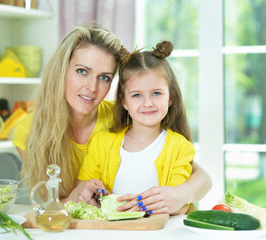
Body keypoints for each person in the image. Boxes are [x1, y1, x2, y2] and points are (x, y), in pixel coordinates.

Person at [13, 25, 212, 211]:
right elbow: (45, 208)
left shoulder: (121, 118)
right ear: (61, 70)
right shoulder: (29, 130)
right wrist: (75, 197)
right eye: (82, 71)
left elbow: (201, 178)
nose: (92, 87)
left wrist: (182, 194)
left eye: (105, 77)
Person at [78, 41, 196, 215]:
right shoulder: (102, 142)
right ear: (124, 101)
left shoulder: (180, 147)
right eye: (137, 95)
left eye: (156, 93)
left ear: (170, 97)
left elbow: (177, 205)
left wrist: (140, 207)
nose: (147, 103)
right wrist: (92, 195)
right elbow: (82, 188)